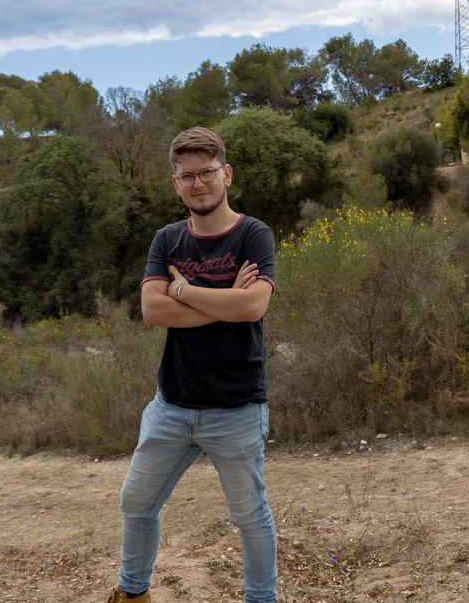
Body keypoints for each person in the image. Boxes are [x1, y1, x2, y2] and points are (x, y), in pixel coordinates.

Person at [108, 126, 278, 603]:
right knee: (136, 503)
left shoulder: (253, 234)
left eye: (207, 172)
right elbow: (152, 312)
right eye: (187, 176)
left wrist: (182, 290)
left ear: (226, 174)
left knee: (249, 515)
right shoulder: (166, 240)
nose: (198, 183)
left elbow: (252, 309)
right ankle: (132, 593)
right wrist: (226, 297)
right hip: (172, 405)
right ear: (175, 184)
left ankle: (261, 599)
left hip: (237, 406)